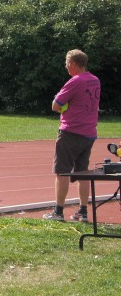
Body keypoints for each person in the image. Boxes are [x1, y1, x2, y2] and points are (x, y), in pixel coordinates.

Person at [43, 49, 101, 222]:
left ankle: (58, 212)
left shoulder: (75, 81)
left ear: (74, 64)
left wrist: (63, 106)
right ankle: (83, 212)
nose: (66, 66)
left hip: (71, 132)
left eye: (67, 63)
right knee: (83, 173)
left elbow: (55, 105)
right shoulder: (95, 80)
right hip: (89, 133)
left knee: (62, 172)